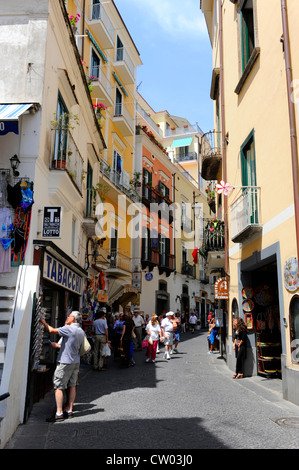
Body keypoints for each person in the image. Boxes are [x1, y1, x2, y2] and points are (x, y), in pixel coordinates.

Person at [40, 310, 85, 422]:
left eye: (69, 316)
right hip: (75, 361)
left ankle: (59, 412)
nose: (67, 317)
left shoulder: (69, 329)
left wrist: (43, 321)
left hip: (65, 362)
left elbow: (51, 330)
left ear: (73, 319)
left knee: (58, 386)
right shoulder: (80, 331)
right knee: (72, 385)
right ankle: (69, 410)